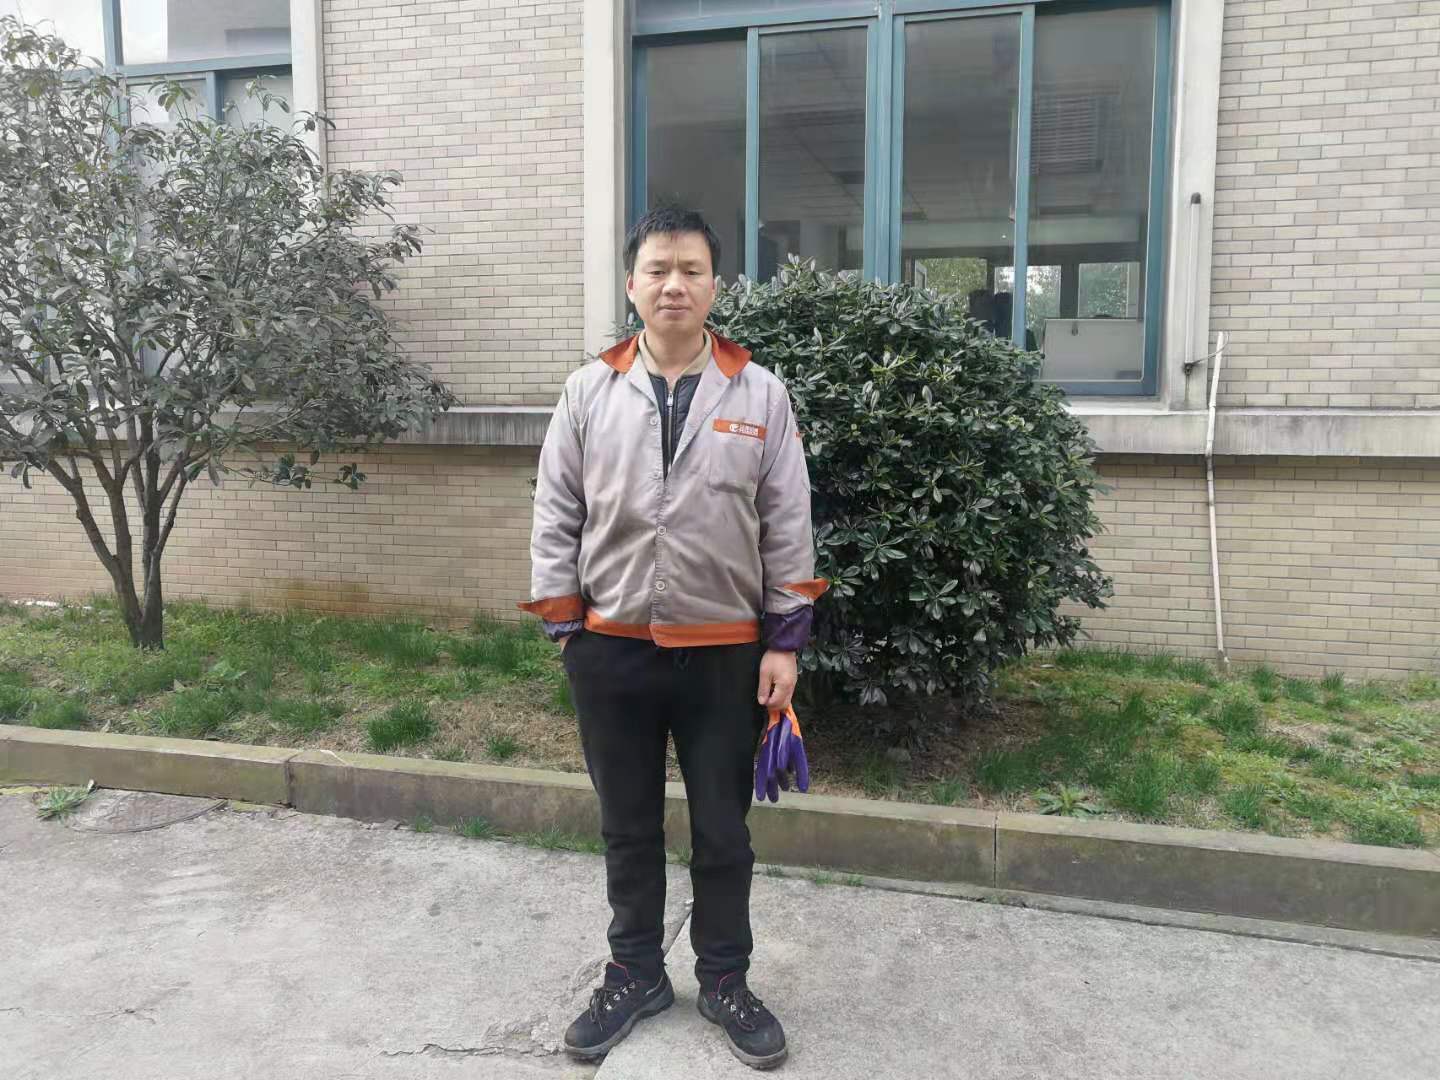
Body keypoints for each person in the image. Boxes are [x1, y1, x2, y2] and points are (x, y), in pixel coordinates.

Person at [519, 206, 825, 1070]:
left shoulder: (759, 393)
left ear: (714, 285)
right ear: (632, 285)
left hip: (726, 654)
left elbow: (787, 521)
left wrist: (784, 641)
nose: (674, 285)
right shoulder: (589, 391)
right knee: (627, 826)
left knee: (723, 831)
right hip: (611, 650)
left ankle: (724, 978)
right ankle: (636, 973)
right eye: (658, 270)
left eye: (690, 270)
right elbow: (556, 511)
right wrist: (568, 629)